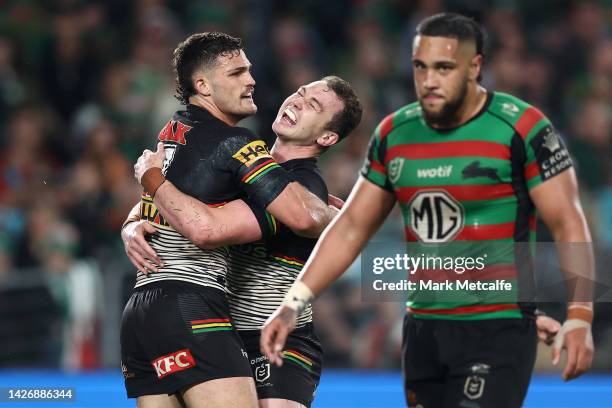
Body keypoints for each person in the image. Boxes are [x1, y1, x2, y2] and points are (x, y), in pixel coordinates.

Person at [261, 13, 595, 408]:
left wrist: (581, 315)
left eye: (444, 68)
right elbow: (351, 227)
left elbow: (568, 220)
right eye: (421, 66)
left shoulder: (522, 127)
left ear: (475, 67)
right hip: (423, 330)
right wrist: (293, 302)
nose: (429, 80)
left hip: (497, 326)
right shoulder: (394, 133)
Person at [119, 32, 338, 408]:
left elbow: (174, 195)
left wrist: (136, 211)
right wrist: (341, 217)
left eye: (249, 71)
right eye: (237, 73)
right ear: (202, 85)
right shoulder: (236, 145)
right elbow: (208, 227)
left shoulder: (173, 135)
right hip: (193, 307)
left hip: (144, 312)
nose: (251, 80)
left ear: (329, 137)